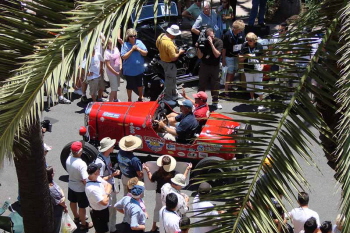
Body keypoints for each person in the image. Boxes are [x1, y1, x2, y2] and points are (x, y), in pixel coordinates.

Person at [143, 155, 191, 232]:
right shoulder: (174, 173)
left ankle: (154, 226)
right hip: (172, 195)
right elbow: (182, 178)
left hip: (160, 194)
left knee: (157, 210)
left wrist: (147, 170)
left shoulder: (158, 173)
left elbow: (151, 179)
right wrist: (187, 169)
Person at [65, 141, 93, 230]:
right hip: (80, 189)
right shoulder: (81, 164)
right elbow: (85, 179)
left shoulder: (68, 159)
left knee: (73, 202)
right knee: (82, 206)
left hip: (71, 185)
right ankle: (83, 224)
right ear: (80, 151)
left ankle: (76, 217)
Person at [95, 137, 121, 233]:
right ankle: (109, 230)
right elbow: (100, 179)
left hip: (111, 186)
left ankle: (113, 229)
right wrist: (112, 175)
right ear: (107, 148)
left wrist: (112, 172)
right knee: (109, 212)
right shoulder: (100, 163)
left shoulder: (107, 156)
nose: (113, 146)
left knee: (113, 209)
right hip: (106, 190)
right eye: (111, 146)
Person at [156, 25, 185, 101]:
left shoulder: (161, 36)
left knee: (172, 80)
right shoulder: (169, 44)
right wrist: (180, 52)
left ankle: (174, 93)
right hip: (169, 64)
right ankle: (168, 98)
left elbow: (156, 45)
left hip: (163, 61)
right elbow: (174, 57)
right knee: (169, 81)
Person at [196, 28, 223, 110]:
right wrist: (198, 47)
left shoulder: (219, 42)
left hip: (215, 66)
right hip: (205, 66)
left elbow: (217, 55)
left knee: (215, 84)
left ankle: (215, 102)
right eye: (210, 36)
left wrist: (211, 43)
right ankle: (200, 102)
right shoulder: (203, 42)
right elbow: (200, 56)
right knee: (202, 84)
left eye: (213, 35)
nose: (212, 37)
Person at [239, 32, 265, 110]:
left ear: (254, 40)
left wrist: (262, 66)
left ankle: (261, 102)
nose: (248, 42)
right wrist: (247, 55)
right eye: (247, 40)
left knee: (258, 85)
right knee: (250, 84)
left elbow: (262, 57)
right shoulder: (244, 46)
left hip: (257, 68)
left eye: (250, 40)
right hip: (248, 68)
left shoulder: (259, 46)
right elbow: (240, 58)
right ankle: (252, 98)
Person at [121, 28, 148, 102]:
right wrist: (132, 50)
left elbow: (145, 53)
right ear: (128, 37)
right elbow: (123, 56)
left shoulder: (139, 42)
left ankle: (140, 96)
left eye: (134, 36)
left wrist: (138, 49)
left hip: (139, 69)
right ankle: (129, 99)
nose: (133, 38)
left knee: (140, 84)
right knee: (130, 86)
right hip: (129, 71)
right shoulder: (125, 45)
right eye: (131, 36)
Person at [85, 163, 112, 233]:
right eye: (98, 169)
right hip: (99, 213)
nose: (100, 170)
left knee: (101, 229)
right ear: (96, 172)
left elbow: (109, 185)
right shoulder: (92, 189)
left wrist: (105, 194)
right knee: (101, 230)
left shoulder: (97, 178)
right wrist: (107, 193)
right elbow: (104, 202)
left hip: (103, 211)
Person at [222, 20, 245, 98]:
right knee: (230, 72)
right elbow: (224, 48)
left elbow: (242, 44)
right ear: (235, 28)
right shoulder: (227, 35)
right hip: (229, 56)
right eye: (239, 30)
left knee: (234, 71)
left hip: (237, 56)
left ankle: (230, 86)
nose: (240, 31)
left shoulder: (241, 33)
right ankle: (226, 90)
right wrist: (223, 59)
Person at [46, 166, 68, 233]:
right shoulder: (51, 189)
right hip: (56, 212)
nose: (55, 172)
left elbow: (60, 190)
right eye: (54, 172)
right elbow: (60, 202)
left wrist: (63, 196)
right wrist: (65, 206)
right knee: (57, 228)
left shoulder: (50, 182)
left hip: (54, 210)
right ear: (52, 174)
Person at [104, 38, 121, 102]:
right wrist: (115, 72)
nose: (112, 45)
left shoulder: (116, 48)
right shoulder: (107, 52)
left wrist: (120, 67)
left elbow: (119, 58)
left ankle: (115, 99)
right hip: (112, 73)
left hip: (118, 71)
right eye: (111, 44)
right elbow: (108, 65)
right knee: (114, 88)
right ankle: (110, 102)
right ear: (108, 44)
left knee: (116, 87)